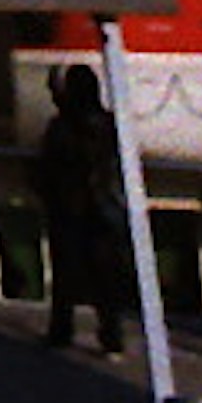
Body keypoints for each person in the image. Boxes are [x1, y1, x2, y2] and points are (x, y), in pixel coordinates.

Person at [32, 59, 140, 361]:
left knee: (66, 273)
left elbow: (47, 166)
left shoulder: (61, 126)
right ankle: (111, 338)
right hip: (102, 207)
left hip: (69, 206)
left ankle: (61, 331)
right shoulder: (108, 125)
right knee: (106, 279)